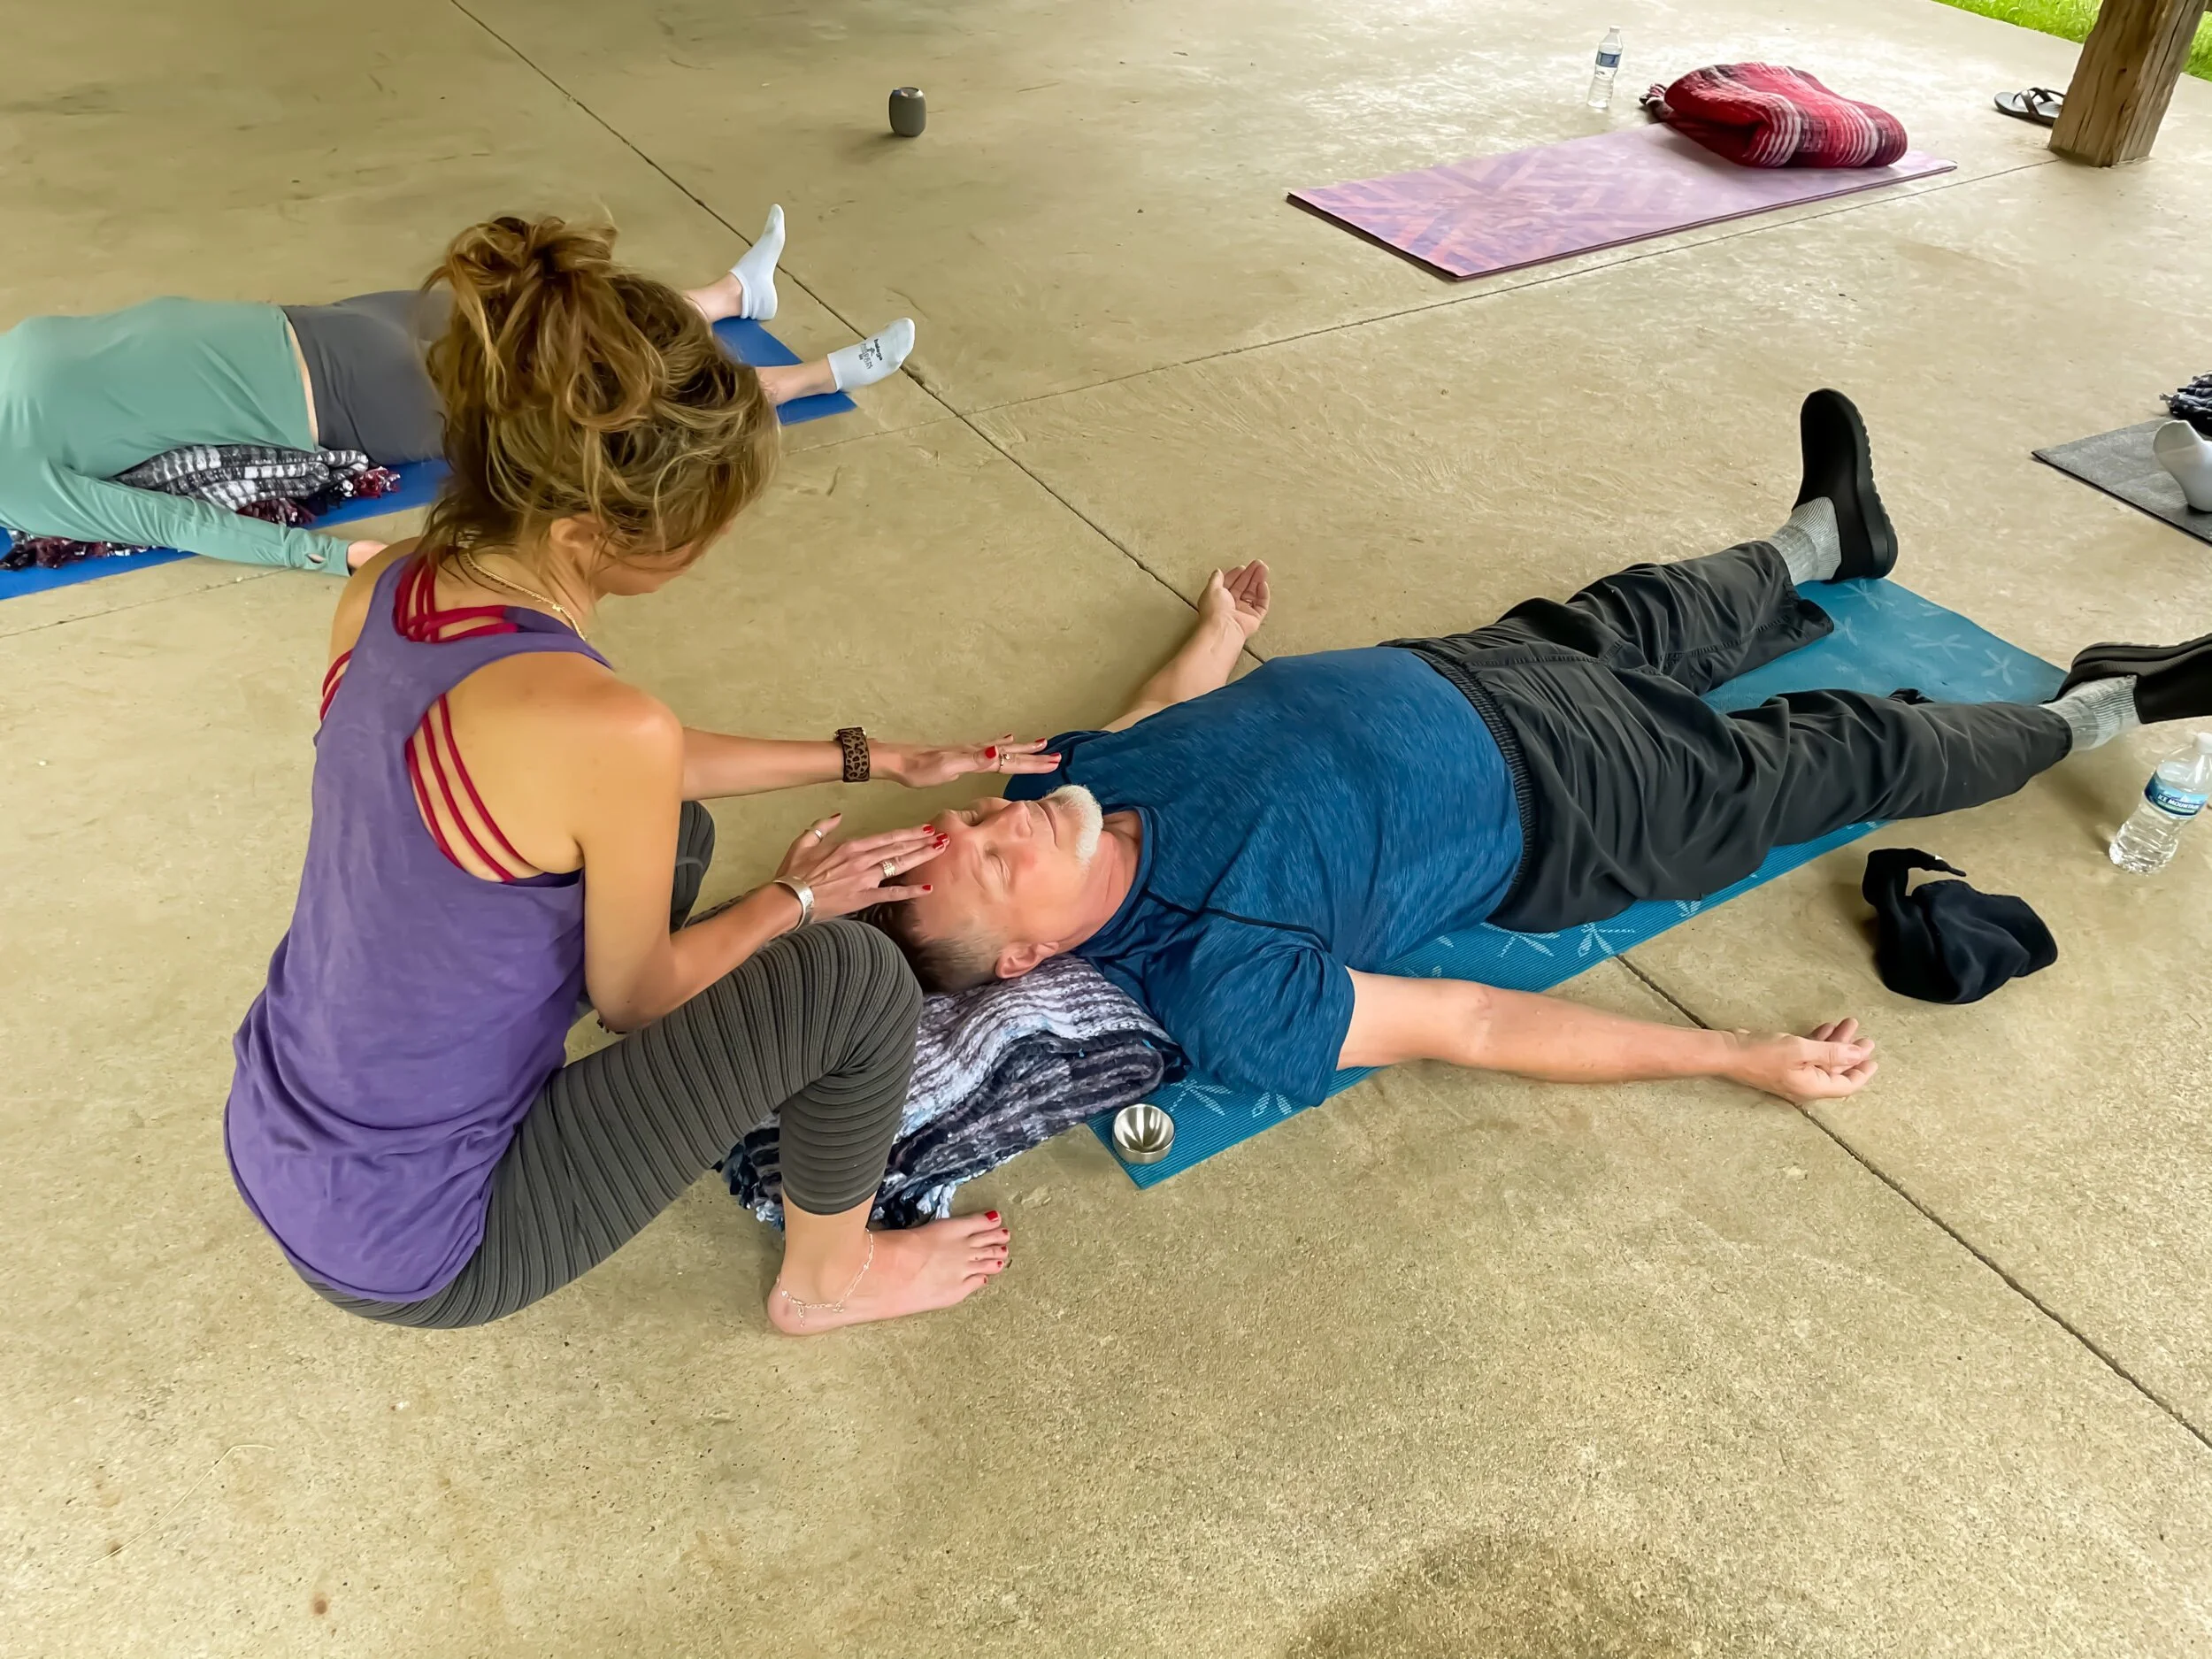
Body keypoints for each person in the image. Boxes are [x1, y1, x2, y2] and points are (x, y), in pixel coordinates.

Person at [877, 390, 2212, 1110]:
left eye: (971, 822)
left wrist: (1217, 635)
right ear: (1030, 958)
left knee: (1652, 605)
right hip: (1577, 803)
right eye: (991, 862)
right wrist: (1736, 1054)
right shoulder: (1217, 985)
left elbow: (1153, 712)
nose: (1004, 819)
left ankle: (1826, 535)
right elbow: (1468, 1021)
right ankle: (2106, 707)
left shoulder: (1073, 788)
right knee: (1838, 754)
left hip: (1475, 667)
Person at [226, 213, 1032, 1333]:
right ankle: (827, 1281)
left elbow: (599, 770)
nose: (708, 544)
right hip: (428, 1241)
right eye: (698, 525)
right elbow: (636, 994)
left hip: (286, 1136)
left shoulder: (396, 584)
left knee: (674, 831)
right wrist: (796, 898)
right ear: (583, 535)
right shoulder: (608, 728)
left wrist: (868, 756)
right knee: (852, 980)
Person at [0, 204, 912, 575]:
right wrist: (333, 558)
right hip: (347, 401)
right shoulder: (15, 480)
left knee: (541, 313)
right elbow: (169, 520)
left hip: (314, 325)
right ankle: (799, 380)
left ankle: (727, 297)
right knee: (578, 383)